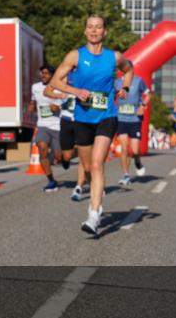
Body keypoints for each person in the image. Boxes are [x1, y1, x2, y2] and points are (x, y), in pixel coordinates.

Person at [49, 14, 133, 237]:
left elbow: (129, 69)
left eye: (98, 27)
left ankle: (94, 215)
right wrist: (76, 91)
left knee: (97, 164)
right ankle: (97, 201)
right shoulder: (75, 56)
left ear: (105, 32)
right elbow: (55, 82)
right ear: (85, 31)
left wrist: (125, 87)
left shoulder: (114, 57)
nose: (94, 31)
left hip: (107, 115)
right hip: (83, 119)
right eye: (90, 27)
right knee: (87, 168)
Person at [46, 70, 88, 201]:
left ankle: (79, 187)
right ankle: (66, 159)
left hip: (82, 121)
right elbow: (47, 92)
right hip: (66, 120)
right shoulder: (64, 80)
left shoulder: (88, 79)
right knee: (67, 155)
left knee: (83, 155)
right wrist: (58, 98)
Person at [30, 64, 64, 192]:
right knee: (42, 149)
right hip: (43, 125)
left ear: (52, 75)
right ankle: (51, 180)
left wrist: (55, 107)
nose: (43, 75)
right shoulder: (36, 87)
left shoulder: (59, 89)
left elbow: (59, 107)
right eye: (42, 73)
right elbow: (34, 101)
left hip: (57, 126)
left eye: (46, 73)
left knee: (59, 156)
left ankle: (64, 158)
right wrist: (32, 106)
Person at [115, 72, 149, 186]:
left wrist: (143, 105)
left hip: (135, 120)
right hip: (121, 119)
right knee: (124, 148)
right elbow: (111, 97)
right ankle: (126, 175)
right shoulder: (117, 82)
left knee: (135, 151)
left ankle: (138, 161)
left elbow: (148, 94)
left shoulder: (138, 81)